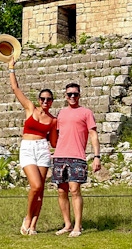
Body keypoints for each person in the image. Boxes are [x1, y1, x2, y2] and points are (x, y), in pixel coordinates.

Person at [8, 57, 57, 235]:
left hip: (43, 149)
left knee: (41, 189)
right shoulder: (30, 108)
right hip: (28, 147)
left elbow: (53, 142)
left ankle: (34, 225)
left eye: (49, 99)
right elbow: (15, 89)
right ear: (38, 100)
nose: (45, 101)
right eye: (43, 98)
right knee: (35, 186)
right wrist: (11, 68)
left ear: (52, 101)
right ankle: (28, 217)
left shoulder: (53, 120)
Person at [52, 83, 101, 238]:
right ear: (65, 96)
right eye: (69, 94)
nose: (72, 97)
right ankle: (67, 224)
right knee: (61, 191)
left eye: (75, 94)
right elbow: (57, 135)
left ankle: (78, 226)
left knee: (75, 190)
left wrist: (96, 156)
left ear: (79, 95)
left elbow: (93, 135)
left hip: (77, 156)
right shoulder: (61, 113)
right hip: (60, 156)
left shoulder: (86, 113)